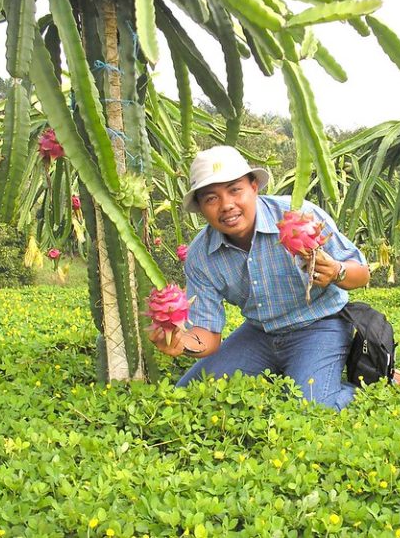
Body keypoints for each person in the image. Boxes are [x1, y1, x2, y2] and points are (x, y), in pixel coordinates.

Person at [148, 146, 370, 410]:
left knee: (310, 408)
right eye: (211, 198)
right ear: (200, 208)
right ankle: (306, 373)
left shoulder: (299, 215)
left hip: (320, 325)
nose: (226, 205)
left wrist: (336, 271)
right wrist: (182, 342)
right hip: (259, 335)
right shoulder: (201, 256)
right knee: (189, 393)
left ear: (254, 186)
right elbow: (207, 335)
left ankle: (367, 383)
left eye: (234, 190)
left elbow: (362, 274)